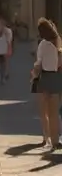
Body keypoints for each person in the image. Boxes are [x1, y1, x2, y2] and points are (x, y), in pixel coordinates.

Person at [31, 17, 62, 150]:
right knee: (54, 111)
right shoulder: (58, 42)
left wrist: (33, 76)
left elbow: (38, 64)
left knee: (44, 111)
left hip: (44, 77)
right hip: (55, 77)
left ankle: (46, 137)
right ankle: (56, 140)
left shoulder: (43, 44)